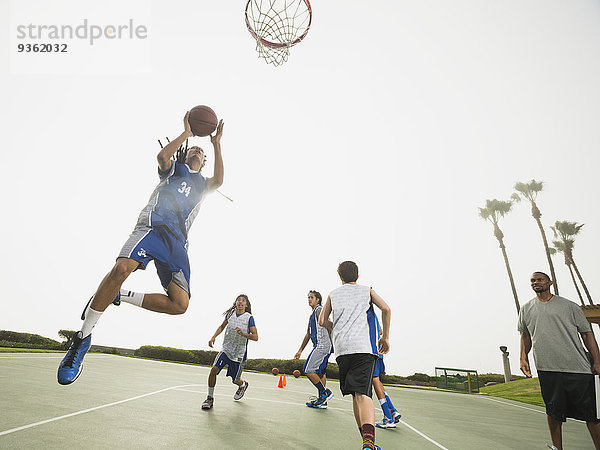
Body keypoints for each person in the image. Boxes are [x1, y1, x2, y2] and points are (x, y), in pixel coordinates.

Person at [57, 112, 224, 385]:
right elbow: (161, 158)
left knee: (180, 305)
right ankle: (82, 338)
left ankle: (119, 295)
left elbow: (219, 180)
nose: (198, 150)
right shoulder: (173, 169)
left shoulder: (203, 184)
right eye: (195, 147)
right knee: (122, 267)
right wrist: (186, 133)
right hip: (152, 228)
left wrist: (215, 144)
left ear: (205, 162)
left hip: (177, 244)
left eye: (202, 152)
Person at [519, 271, 600, 450]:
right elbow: (525, 335)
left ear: (550, 282)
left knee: (592, 415)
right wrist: (523, 358)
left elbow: (587, 335)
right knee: (553, 412)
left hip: (577, 368)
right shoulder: (525, 309)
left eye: (540, 279)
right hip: (547, 369)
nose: (536, 282)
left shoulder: (569, 306)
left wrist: (597, 361)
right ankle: (557, 448)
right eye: (532, 280)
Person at [319, 261, 391, 450]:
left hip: (342, 350)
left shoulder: (333, 294)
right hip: (363, 347)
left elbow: (322, 320)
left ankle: (367, 442)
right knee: (363, 394)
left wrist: (336, 328)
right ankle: (368, 444)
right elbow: (386, 309)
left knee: (355, 395)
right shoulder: (367, 290)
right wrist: (386, 338)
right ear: (357, 276)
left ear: (340, 277)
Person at [202, 294, 258, 410]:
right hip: (226, 349)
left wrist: (243, 334)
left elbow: (256, 337)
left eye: (243, 301)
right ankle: (209, 398)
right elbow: (222, 327)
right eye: (239, 300)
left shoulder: (249, 318)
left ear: (246, 305)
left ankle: (243, 385)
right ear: (235, 303)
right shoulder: (230, 314)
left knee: (235, 380)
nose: (240, 302)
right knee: (213, 370)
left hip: (239, 354)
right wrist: (213, 337)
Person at [294, 290, 334, 409]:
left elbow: (329, 324)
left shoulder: (319, 310)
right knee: (320, 372)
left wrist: (333, 343)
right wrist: (300, 350)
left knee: (308, 369)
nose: (309, 299)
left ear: (318, 299)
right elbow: (308, 333)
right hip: (320, 345)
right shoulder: (313, 314)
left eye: (311, 297)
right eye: (308, 297)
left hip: (322, 345)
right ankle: (323, 400)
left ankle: (324, 393)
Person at [372, 315, 401, 429]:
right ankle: (393, 411)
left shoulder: (362, 310)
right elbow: (380, 330)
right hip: (379, 352)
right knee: (377, 381)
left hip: (372, 352)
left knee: (375, 381)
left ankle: (388, 418)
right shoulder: (372, 313)